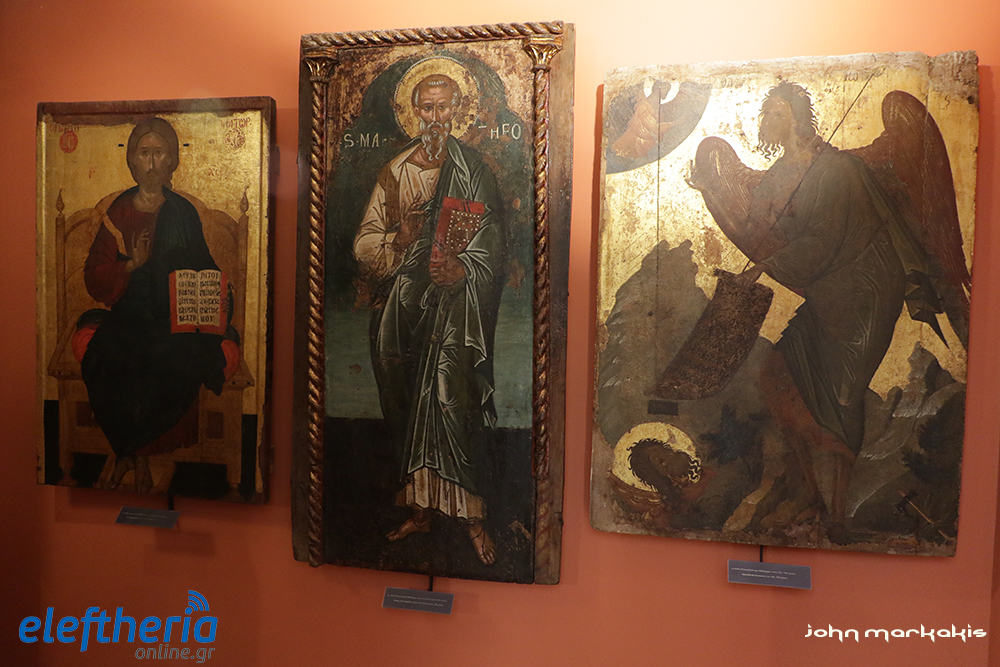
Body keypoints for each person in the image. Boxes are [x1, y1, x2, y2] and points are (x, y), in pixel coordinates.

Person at [689, 83, 930, 540]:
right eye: (765, 113)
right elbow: (757, 224)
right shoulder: (784, 172)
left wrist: (766, 267)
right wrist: (711, 190)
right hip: (826, 292)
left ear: (798, 118)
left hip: (864, 291)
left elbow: (824, 239)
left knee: (840, 397)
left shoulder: (839, 170)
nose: (767, 121)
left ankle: (836, 517)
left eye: (776, 113)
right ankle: (811, 497)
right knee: (777, 376)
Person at [354, 74, 506, 564]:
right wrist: (400, 239)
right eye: (426, 108)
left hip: (455, 310)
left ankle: (473, 518)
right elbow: (364, 245)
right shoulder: (396, 172)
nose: (435, 118)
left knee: (449, 397)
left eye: (444, 108)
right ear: (414, 112)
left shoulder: (473, 170)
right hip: (403, 310)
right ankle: (421, 510)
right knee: (406, 406)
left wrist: (463, 268)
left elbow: (493, 241)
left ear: (458, 110)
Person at [79, 117, 235, 493]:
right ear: (131, 161)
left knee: (173, 360)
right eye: (144, 153)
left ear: (172, 160)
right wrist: (131, 265)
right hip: (130, 311)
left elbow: (204, 264)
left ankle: (134, 455)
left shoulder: (183, 212)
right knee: (104, 358)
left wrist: (216, 288)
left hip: (173, 315)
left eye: (159, 153)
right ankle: (131, 455)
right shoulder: (118, 212)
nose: (151, 163)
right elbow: (94, 275)